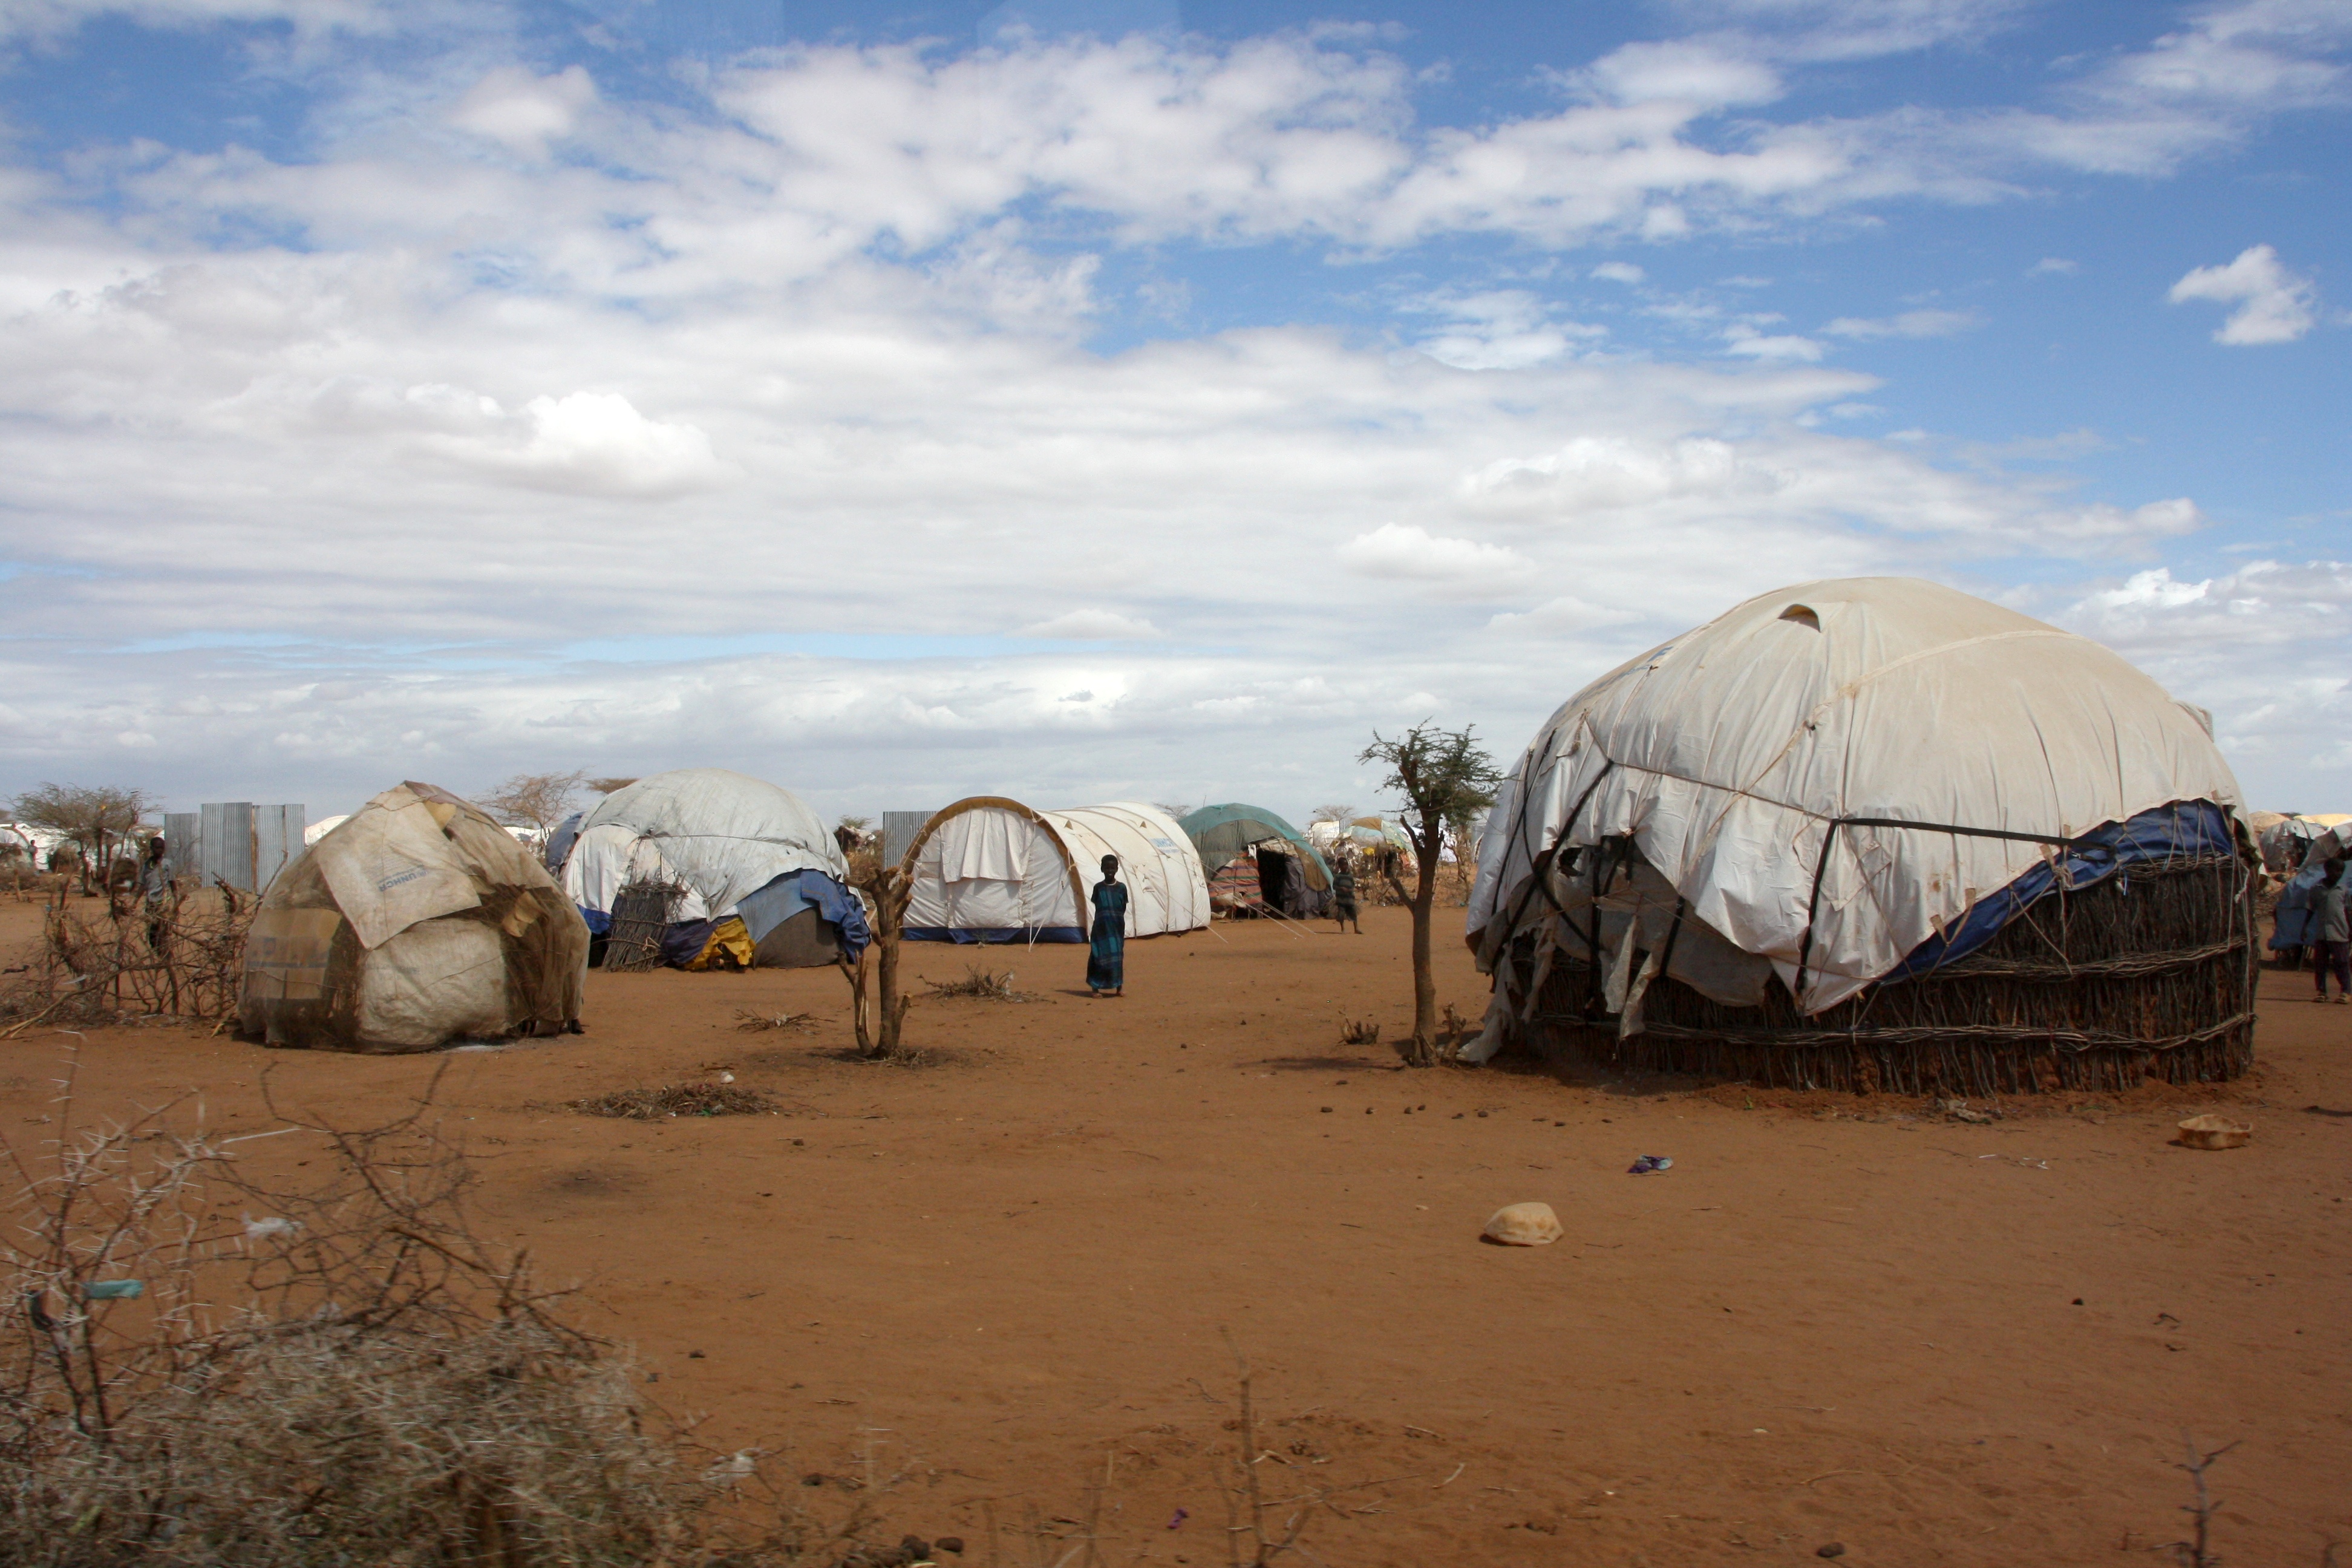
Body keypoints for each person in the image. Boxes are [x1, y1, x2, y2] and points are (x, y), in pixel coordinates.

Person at [1087, 853, 1126, 997]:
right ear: (1102, 869)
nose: (1110, 871)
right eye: (1107, 868)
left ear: (1117, 869)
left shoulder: (1121, 888)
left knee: (1117, 956)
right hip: (1101, 928)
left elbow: (1122, 907)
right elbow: (1097, 905)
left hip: (1116, 928)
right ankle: (1095, 988)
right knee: (1098, 955)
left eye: (1113, 868)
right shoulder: (1098, 888)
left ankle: (1119, 987)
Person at [2312, 858, 2349, 1004]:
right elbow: (2310, 909)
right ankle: (2321, 992)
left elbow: (2348, 912)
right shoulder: (2317, 889)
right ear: (2327, 870)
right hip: (2322, 933)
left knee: (2342, 962)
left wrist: (2350, 930)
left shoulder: (2343, 890)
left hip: (2340, 932)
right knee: (2320, 964)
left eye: (2341, 871)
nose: (2339, 874)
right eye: (2336, 870)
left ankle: (2345, 992)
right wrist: (2304, 928)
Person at [137, 836, 171, 952]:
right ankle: (158, 953)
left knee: (162, 931)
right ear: (152, 849)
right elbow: (143, 884)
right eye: (157, 848)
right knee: (152, 932)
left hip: (163, 903)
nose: (160, 851)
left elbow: (173, 882)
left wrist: (176, 900)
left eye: (162, 848)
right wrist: (135, 902)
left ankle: (164, 955)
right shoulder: (147, 865)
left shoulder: (167, 864)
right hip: (151, 903)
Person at [1330, 854, 1362, 934]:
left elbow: (1353, 885)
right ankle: (1343, 929)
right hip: (1341, 899)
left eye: (1346, 865)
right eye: (1343, 865)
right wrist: (1341, 889)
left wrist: (1350, 890)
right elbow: (1334, 886)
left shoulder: (1350, 876)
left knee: (1353, 913)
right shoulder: (1338, 877)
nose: (1345, 866)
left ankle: (1356, 929)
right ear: (1340, 866)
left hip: (1349, 898)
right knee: (1341, 914)